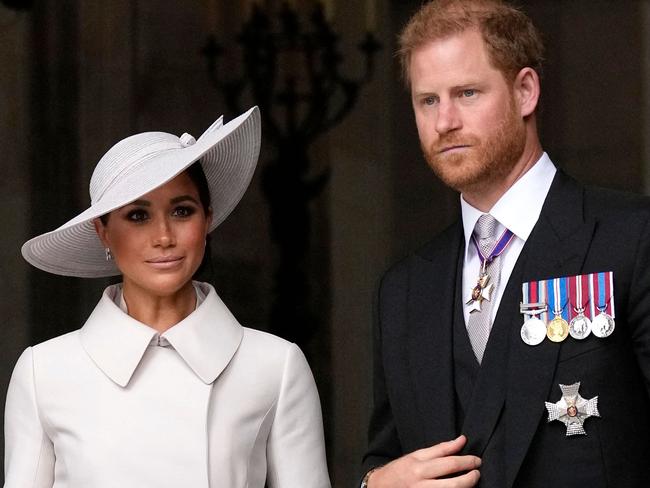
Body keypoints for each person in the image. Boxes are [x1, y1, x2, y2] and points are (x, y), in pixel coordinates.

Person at [361, 1, 650, 487]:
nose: (444, 121)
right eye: (427, 100)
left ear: (525, 91)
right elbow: (384, 459)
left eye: (467, 93)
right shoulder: (403, 291)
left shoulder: (633, 238)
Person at [5, 106, 331, 488]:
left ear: (206, 219)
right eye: (138, 216)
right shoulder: (44, 373)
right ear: (103, 233)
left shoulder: (276, 367)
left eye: (181, 210)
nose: (163, 236)